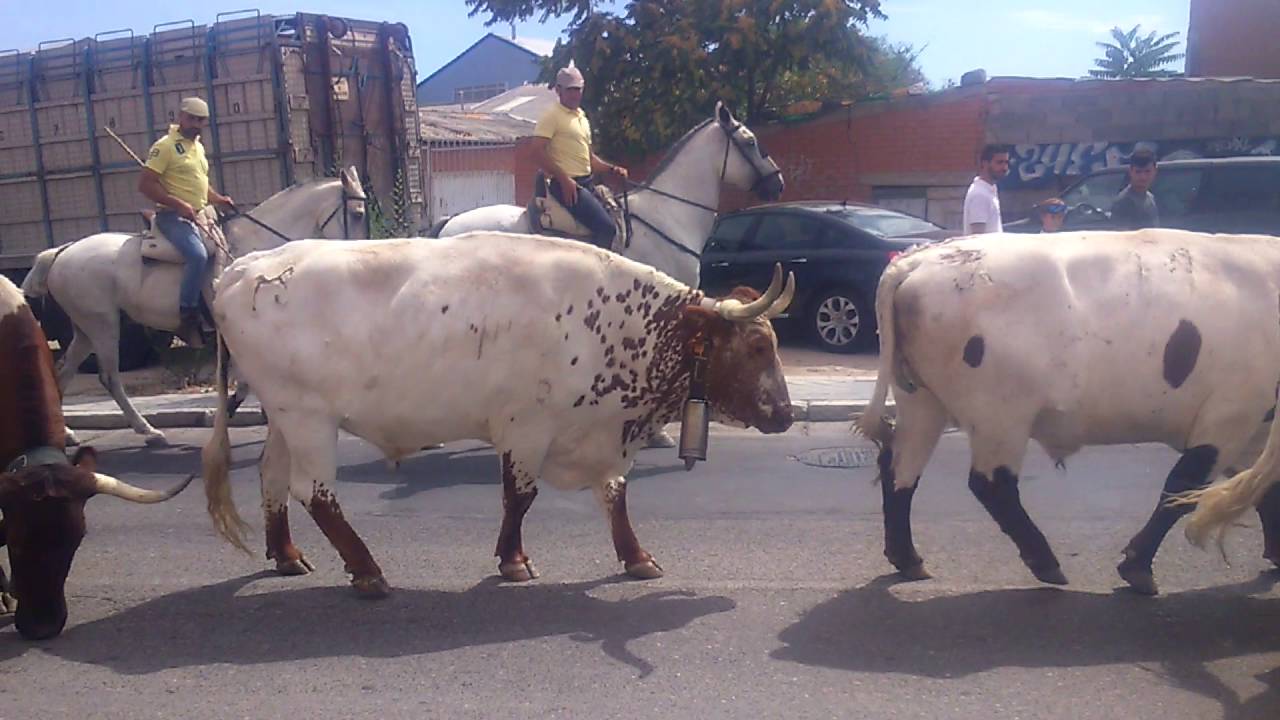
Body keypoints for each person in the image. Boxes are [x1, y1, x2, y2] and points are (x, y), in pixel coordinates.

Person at [138, 96, 233, 348]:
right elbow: (145, 184)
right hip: (172, 216)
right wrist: (178, 204)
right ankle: (187, 315)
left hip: (200, 213)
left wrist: (219, 198)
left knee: (225, 249)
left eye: (201, 120)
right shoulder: (165, 146)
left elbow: (199, 184)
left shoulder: (197, 147)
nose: (196, 124)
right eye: (191, 118)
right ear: (180, 116)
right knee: (198, 255)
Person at [532, 65, 628, 250]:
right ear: (558, 90)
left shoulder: (582, 118)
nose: (575, 94)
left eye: (578, 90)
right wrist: (564, 179)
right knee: (606, 228)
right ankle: (596, 277)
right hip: (565, 186)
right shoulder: (552, 116)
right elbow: (536, 151)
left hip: (586, 183)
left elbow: (589, 159)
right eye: (571, 90)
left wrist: (611, 169)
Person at [962, 144, 1010, 234]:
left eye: (1006, 162)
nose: (1004, 168)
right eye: (999, 162)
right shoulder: (979, 195)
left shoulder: (989, 190)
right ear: (985, 164)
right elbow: (978, 236)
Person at [1110, 148, 1160, 230]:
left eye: (1147, 171)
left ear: (1155, 171)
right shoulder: (1124, 202)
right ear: (1131, 172)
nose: (1143, 177)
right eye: (1138, 172)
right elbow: (1122, 237)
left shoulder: (1150, 198)